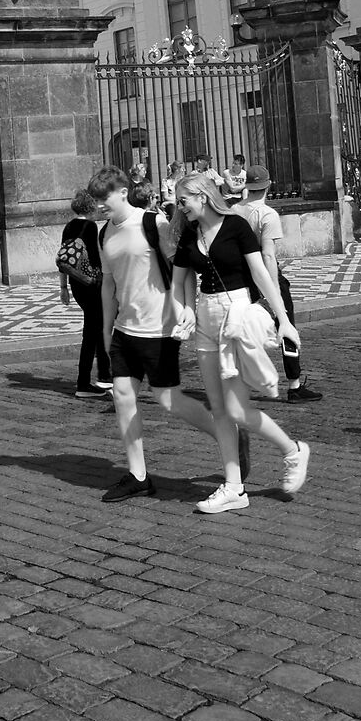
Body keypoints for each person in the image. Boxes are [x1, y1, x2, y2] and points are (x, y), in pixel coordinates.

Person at [169, 170, 311, 515]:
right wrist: (183, 311)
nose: (180, 206)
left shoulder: (236, 226)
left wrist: (284, 320)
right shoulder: (189, 234)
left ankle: (292, 450)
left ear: (202, 196)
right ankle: (234, 487)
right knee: (219, 410)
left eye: (183, 200)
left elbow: (260, 273)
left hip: (237, 314)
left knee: (236, 409)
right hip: (206, 316)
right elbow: (179, 281)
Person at [90, 166, 227, 502]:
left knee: (169, 400)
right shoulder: (103, 233)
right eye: (96, 200)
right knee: (122, 395)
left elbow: (182, 270)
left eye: (104, 198)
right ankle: (138, 475)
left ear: (122, 192)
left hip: (159, 327)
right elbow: (108, 284)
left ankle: (228, 436)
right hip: (125, 328)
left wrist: (187, 309)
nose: (99, 205)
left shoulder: (153, 223)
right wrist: (105, 329)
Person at [235, 166, 308, 399]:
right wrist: (274, 289)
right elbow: (268, 254)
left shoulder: (234, 210)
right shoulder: (267, 215)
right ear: (268, 185)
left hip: (241, 276)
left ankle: (240, 381)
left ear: (247, 186)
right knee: (286, 325)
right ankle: (294, 384)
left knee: (243, 327)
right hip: (264, 273)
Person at [57, 191, 111, 396]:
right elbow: (97, 257)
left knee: (97, 327)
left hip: (77, 283)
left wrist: (63, 288)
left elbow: (64, 259)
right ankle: (84, 383)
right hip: (92, 283)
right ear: (90, 207)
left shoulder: (68, 226)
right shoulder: (90, 227)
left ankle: (104, 375)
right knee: (92, 332)